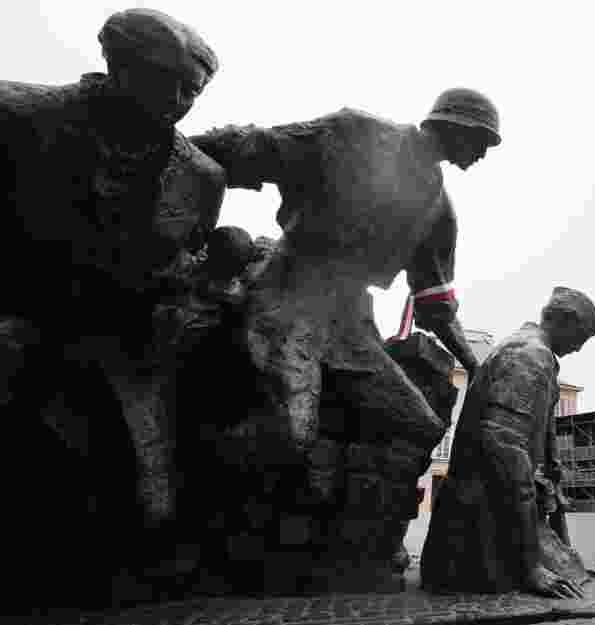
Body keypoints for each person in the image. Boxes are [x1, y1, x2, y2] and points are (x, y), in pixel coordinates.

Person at [188, 89, 499, 538]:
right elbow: (257, 148)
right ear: (456, 126)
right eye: (483, 142)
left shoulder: (439, 209)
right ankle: (214, 526)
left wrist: (472, 363)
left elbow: (435, 305)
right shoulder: (356, 132)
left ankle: (360, 538)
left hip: (352, 320)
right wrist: (170, 151)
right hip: (289, 295)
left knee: (417, 424)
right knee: (292, 431)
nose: (484, 155)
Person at [0, 7, 225, 607]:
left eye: (192, 90)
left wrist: (195, 291)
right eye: (165, 80)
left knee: (148, 507)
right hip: (17, 315)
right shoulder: (17, 116)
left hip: (122, 342)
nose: (179, 100)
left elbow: (183, 276)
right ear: (117, 63)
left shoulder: (201, 178)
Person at [421, 287, 595, 599]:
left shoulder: (529, 349)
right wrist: (530, 566)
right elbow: (504, 446)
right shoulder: (530, 356)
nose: (578, 348)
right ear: (566, 320)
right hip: (478, 526)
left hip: (487, 505)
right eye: (581, 338)